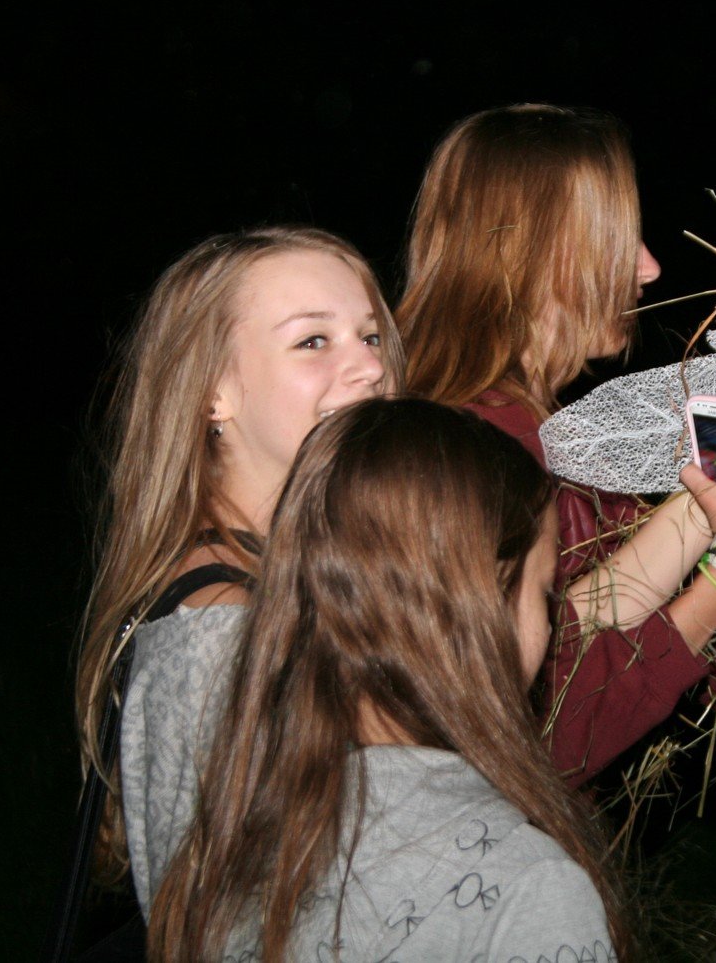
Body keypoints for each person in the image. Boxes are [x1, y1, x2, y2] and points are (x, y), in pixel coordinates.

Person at [397, 104, 716, 786]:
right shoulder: (457, 458)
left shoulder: (562, 442)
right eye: (618, 239)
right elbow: (538, 735)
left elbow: (700, 671)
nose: (648, 268)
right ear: (529, 252)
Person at [147, 399, 626, 961]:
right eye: (545, 594)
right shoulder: (529, 888)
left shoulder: (225, 844)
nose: (550, 625)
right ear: (482, 611)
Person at [72, 227, 402, 916]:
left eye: (371, 336)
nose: (370, 367)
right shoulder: (220, 634)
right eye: (314, 341)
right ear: (213, 393)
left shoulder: (304, 571)